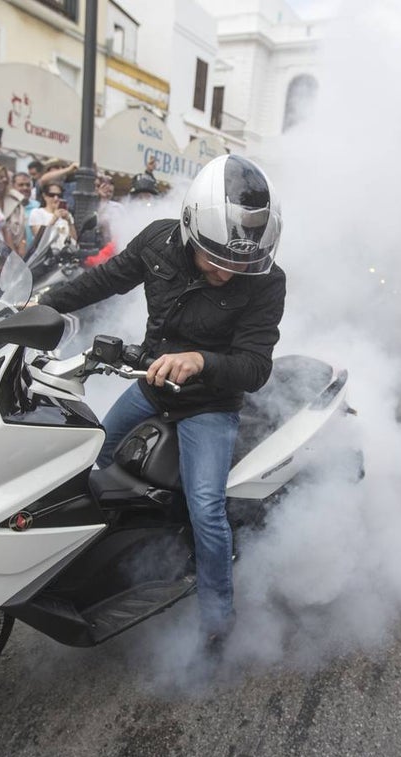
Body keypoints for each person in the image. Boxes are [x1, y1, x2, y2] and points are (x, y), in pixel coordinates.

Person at [36, 154, 286, 648]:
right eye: (216, 258)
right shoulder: (157, 240)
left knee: (207, 509)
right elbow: (102, 281)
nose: (226, 273)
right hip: (149, 385)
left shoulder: (268, 281)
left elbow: (256, 367)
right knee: (89, 462)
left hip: (208, 406)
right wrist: (41, 304)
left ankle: (217, 618)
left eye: (239, 263)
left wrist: (201, 361)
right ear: (191, 230)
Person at [0, 165, 27, 257]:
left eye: (4, 178)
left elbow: (22, 230)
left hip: (15, 253)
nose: (1, 180)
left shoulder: (15, 201)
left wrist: (22, 244)